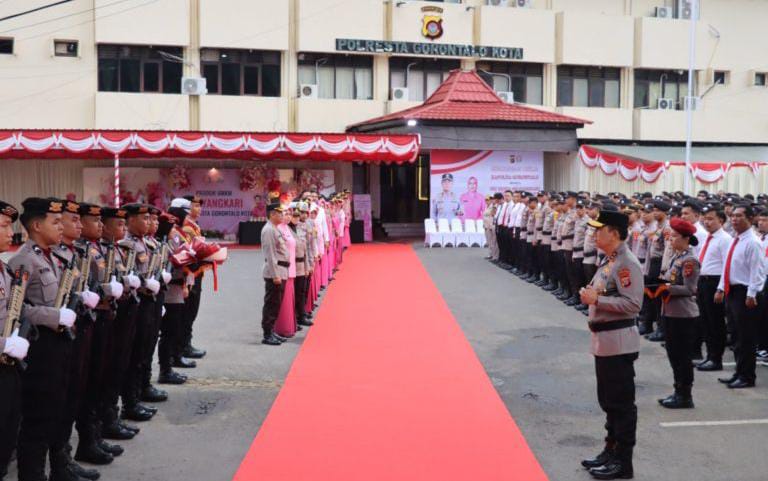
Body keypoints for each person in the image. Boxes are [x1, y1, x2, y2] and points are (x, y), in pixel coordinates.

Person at [8, 198, 78, 481]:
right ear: (36, 225)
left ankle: (59, 469)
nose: (61, 227)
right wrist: (53, 316)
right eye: (55, 222)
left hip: (60, 344)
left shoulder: (52, 256)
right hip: (39, 347)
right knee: (37, 420)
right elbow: (15, 308)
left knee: (57, 411)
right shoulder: (24, 260)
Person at [579, 209, 642, 480]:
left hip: (618, 343)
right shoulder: (610, 260)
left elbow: (632, 304)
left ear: (614, 233)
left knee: (621, 405)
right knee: (608, 402)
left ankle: (623, 463)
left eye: (598, 229)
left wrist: (597, 300)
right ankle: (610, 450)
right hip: (605, 342)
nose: (594, 234)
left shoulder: (626, 263)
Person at [715, 204, 764, 389]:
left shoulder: (753, 242)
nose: (734, 219)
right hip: (732, 291)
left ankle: (747, 376)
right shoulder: (735, 240)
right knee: (736, 336)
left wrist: (752, 294)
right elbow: (728, 267)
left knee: (746, 338)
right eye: (733, 216)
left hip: (746, 293)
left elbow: (757, 272)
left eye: (739, 216)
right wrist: (721, 288)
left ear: (751, 219)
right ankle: (739, 372)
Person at [656, 218, 701, 409]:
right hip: (671, 312)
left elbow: (690, 289)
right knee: (673, 354)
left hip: (683, 315)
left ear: (685, 238)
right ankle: (677, 391)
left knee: (682, 356)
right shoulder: (677, 256)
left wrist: (667, 288)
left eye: (674, 236)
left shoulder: (689, 260)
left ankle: (685, 395)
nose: (670, 240)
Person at [0, 200, 30, 481]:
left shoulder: (5, 269)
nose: (11, 232)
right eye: (4, 226)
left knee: (7, 437)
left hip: (8, 369)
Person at [696, 205, 732, 371]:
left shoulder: (725, 239)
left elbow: (727, 265)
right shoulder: (708, 238)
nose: (706, 222)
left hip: (714, 282)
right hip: (703, 281)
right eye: (705, 218)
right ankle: (709, 356)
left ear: (721, 221)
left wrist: (721, 288)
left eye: (711, 219)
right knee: (706, 322)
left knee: (715, 323)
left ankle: (716, 359)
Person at [181, 195, 206, 360]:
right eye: (194, 205)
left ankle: (186, 343)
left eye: (199, 206)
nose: (198, 209)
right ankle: (183, 345)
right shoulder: (186, 227)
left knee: (192, 311)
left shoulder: (194, 226)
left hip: (196, 273)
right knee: (187, 311)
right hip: (188, 274)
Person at [260, 203, 289, 346]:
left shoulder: (274, 229)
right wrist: (275, 275)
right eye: (280, 213)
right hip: (275, 272)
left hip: (281, 270)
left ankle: (271, 331)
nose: (282, 216)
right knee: (271, 303)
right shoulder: (269, 230)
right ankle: (267, 334)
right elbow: (270, 254)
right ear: (272, 214)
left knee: (276, 303)